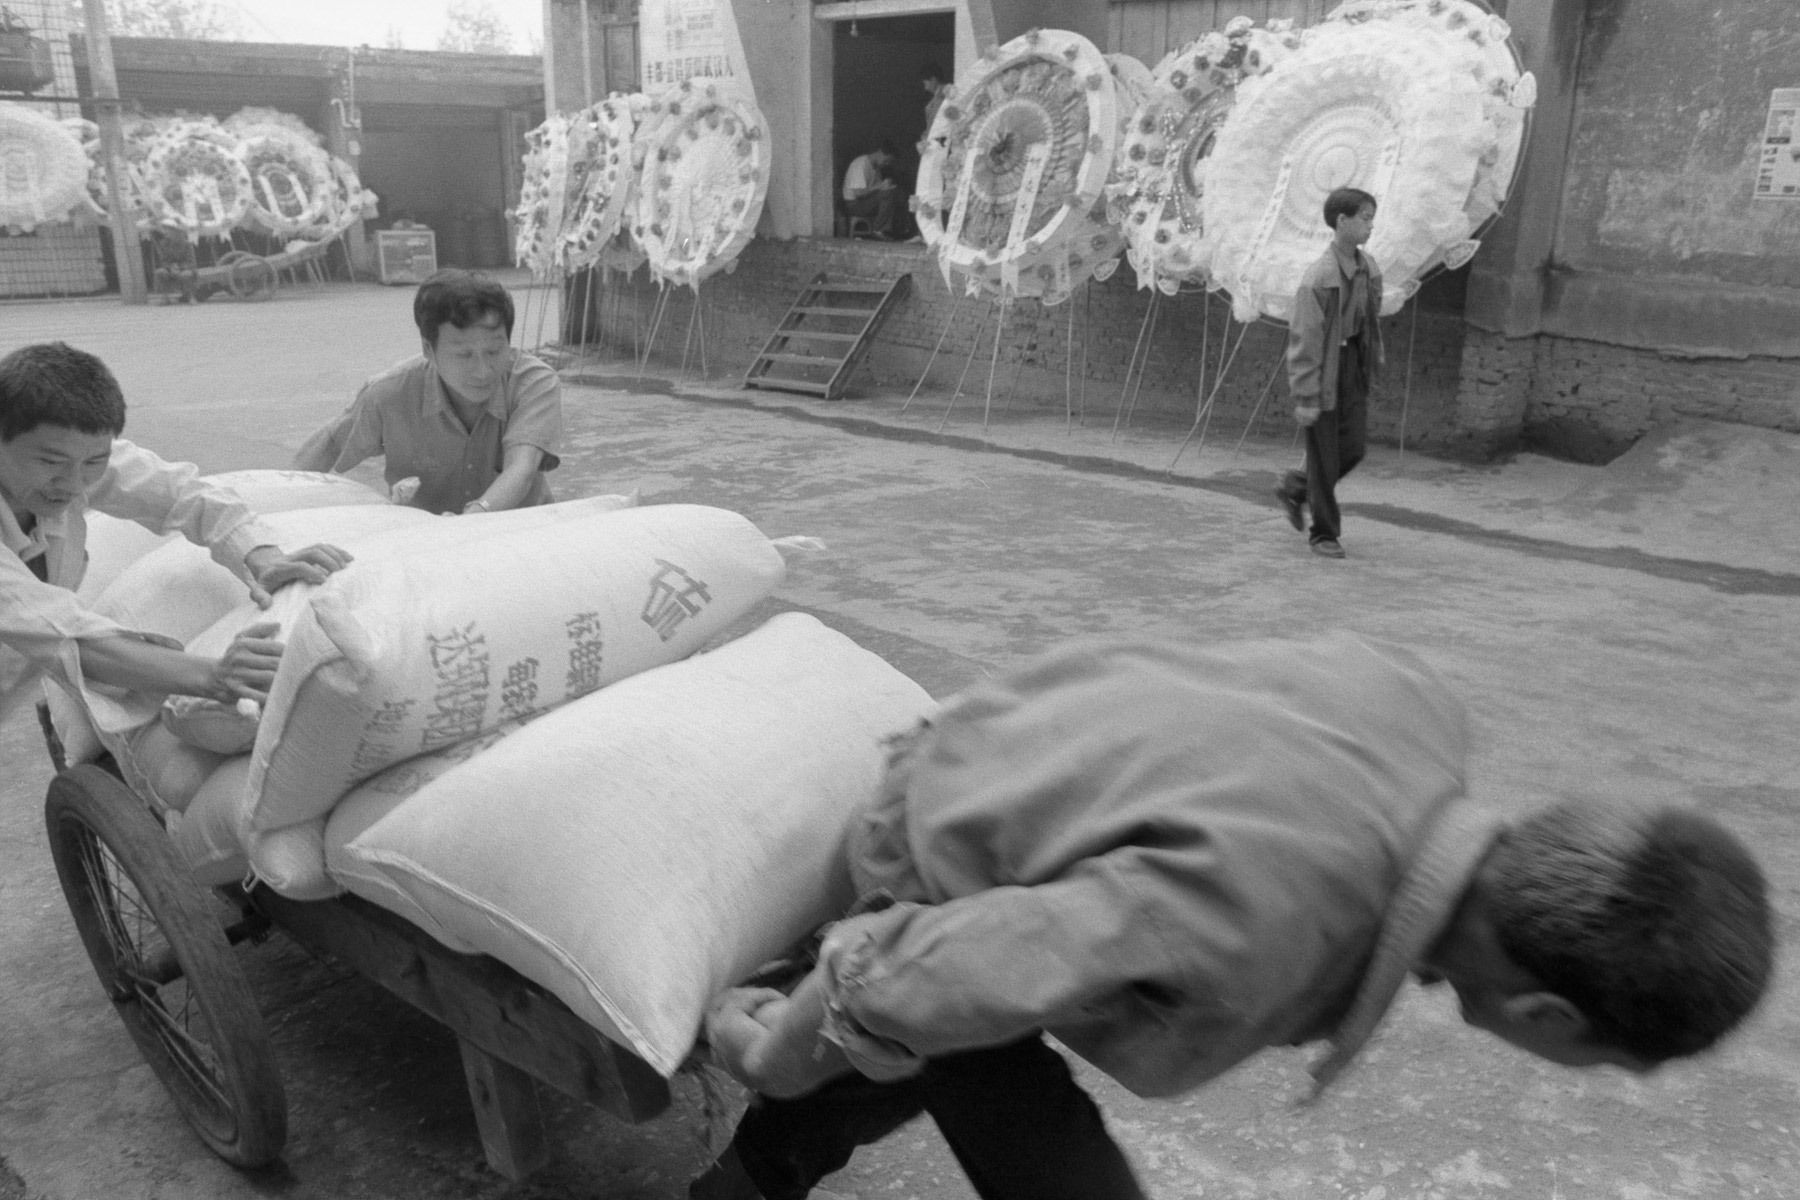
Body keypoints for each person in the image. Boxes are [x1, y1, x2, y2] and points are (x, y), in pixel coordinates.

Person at [690, 634, 1775, 1200]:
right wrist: (768, 1050)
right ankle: (763, 1153)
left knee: (930, 1049)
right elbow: (904, 972)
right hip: (934, 843)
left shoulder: (1413, 697)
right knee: (954, 1056)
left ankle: (757, 1170)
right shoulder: (1253, 930)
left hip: (1009, 756)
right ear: (1548, 1015)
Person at [0, 342, 351, 720]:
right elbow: (54, 628)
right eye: (50, 461)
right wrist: (212, 676)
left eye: (94, 461)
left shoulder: (73, 464)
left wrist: (263, 557)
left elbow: (181, 493)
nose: (72, 483)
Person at [293, 270, 563, 515]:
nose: (483, 370)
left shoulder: (533, 382)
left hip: (522, 534)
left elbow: (522, 468)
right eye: (464, 355)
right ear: (428, 349)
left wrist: (472, 519)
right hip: (423, 540)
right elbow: (330, 444)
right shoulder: (389, 393)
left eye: (494, 351)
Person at [1276, 186, 1384, 559]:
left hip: (1351, 362)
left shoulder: (1368, 267)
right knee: (1324, 455)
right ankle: (1324, 533)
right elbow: (1304, 341)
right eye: (1365, 219)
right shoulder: (1318, 278)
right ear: (1342, 221)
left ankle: (1297, 487)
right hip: (1322, 367)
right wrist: (1305, 396)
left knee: (1352, 448)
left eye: (1372, 218)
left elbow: (1371, 315)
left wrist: (1368, 361)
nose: (1371, 226)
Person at [841, 141, 903, 241]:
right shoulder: (860, 164)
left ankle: (898, 231)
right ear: (880, 153)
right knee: (888, 194)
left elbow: (878, 191)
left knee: (896, 193)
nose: (886, 164)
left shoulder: (876, 168)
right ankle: (878, 230)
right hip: (854, 204)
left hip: (865, 202)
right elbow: (858, 193)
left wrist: (887, 186)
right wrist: (880, 186)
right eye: (886, 160)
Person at [920, 61, 949, 131]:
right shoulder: (935, 98)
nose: (925, 88)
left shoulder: (945, 95)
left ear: (933, 80)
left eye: (925, 83)